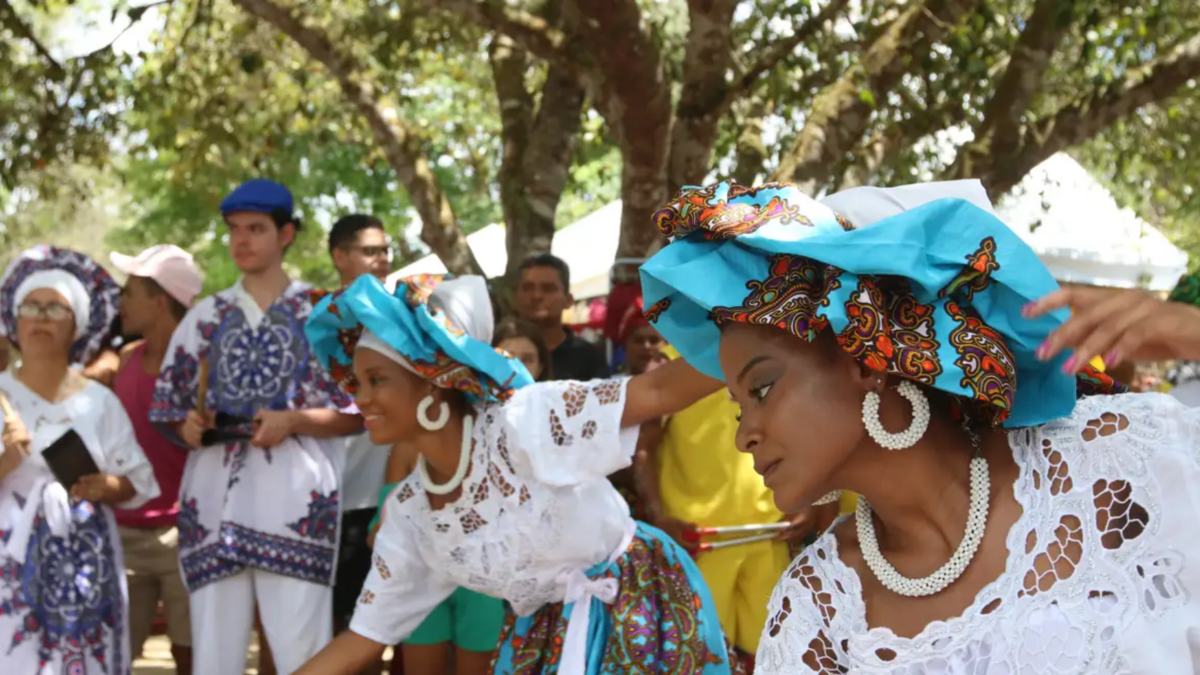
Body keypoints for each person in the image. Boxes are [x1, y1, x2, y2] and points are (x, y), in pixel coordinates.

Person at [639, 178, 1200, 674]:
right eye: (739, 407)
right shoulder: (821, 605)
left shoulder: (1114, 463)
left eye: (761, 390)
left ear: (866, 355)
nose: (744, 435)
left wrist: (1191, 334)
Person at [295, 273, 734, 675]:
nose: (362, 399)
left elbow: (657, 390)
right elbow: (365, 636)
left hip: (640, 607)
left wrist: (759, 333)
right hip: (545, 638)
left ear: (431, 381)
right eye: (357, 384)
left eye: (375, 380)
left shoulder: (524, 423)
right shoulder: (414, 515)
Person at [150, 179, 362, 674]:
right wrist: (189, 427)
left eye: (256, 229)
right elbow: (168, 406)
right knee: (214, 659)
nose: (241, 240)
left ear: (286, 234)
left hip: (296, 507)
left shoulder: (322, 314)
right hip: (213, 507)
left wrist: (295, 420)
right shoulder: (206, 317)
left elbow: (360, 411)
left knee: (301, 656)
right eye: (234, 230)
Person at [0, 245, 161, 674]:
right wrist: (6, 462)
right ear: (15, 320)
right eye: (31, 306)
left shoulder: (100, 402)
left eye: (56, 309)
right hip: (9, 564)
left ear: (77, 326)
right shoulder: (1, 394)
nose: (40, 318)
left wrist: (107, 486)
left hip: (86, 559)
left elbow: (136, 480)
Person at [618, 292, 795, 674]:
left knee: (777, 656)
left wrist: (812, 502)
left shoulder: (776, 350)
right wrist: (659, 517)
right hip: (698, 543)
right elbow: (644, 449)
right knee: (701, 659)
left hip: (768, 537)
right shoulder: (670, 361)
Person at [110, 244, 204, 674]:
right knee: (115, 656)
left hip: (186, 534)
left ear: (161, 299)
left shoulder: (204, 366)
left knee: (193, 655)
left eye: (130, 292)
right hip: (123, 535)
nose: (121, 302)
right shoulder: (124, 360)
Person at [326, 214, 397, 675]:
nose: (383, 260)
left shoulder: (402, 319)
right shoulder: (318, 322)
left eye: (386, 250)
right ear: (339, 257)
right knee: (333, 628)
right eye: (371, 251)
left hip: (386, 499)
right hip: (325, 501)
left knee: (377, 629)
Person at [513, 253, 609, 381]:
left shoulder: (589, 358)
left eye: (548, 289)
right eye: (528, 288)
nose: (537, 296)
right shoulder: (499, 353)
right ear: (515, 298)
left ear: (568, 300)